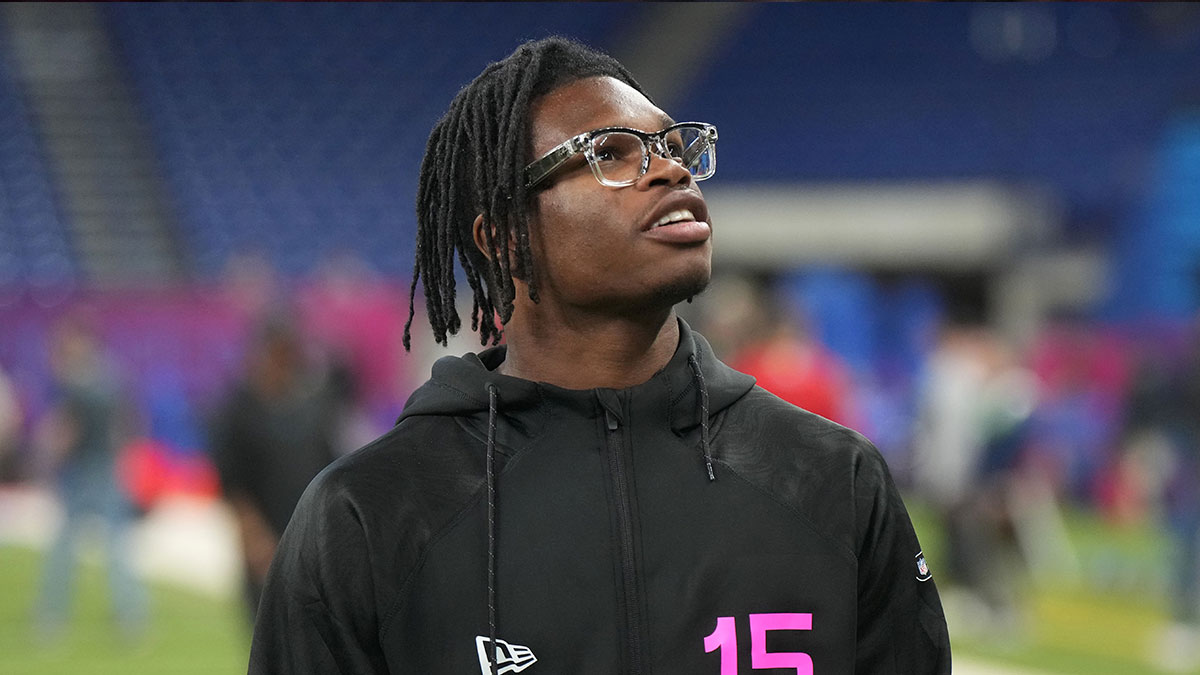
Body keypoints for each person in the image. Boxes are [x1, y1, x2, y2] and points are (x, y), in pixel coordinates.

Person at [250, 37, 950, 673]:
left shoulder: (833, 478)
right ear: (503, 238)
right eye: (611, 153)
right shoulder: (371, 512)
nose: (669, 170)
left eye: (673, 146)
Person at [211, 315, 340, 621]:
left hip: (312, 536)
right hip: (265, 538)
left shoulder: (313, 406)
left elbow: (331, 466)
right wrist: (253, 537)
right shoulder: (238, 410)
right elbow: (231, 481)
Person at [34, 313, 145, 640]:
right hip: (104, 467)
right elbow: (127, 425)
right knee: (112, 547)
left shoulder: (78, 381)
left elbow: (67, 431)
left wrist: (48, 458)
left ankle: (53, 616)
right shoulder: (111, 375)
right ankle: (130, 617)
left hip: (88, 470)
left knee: (71, 547)